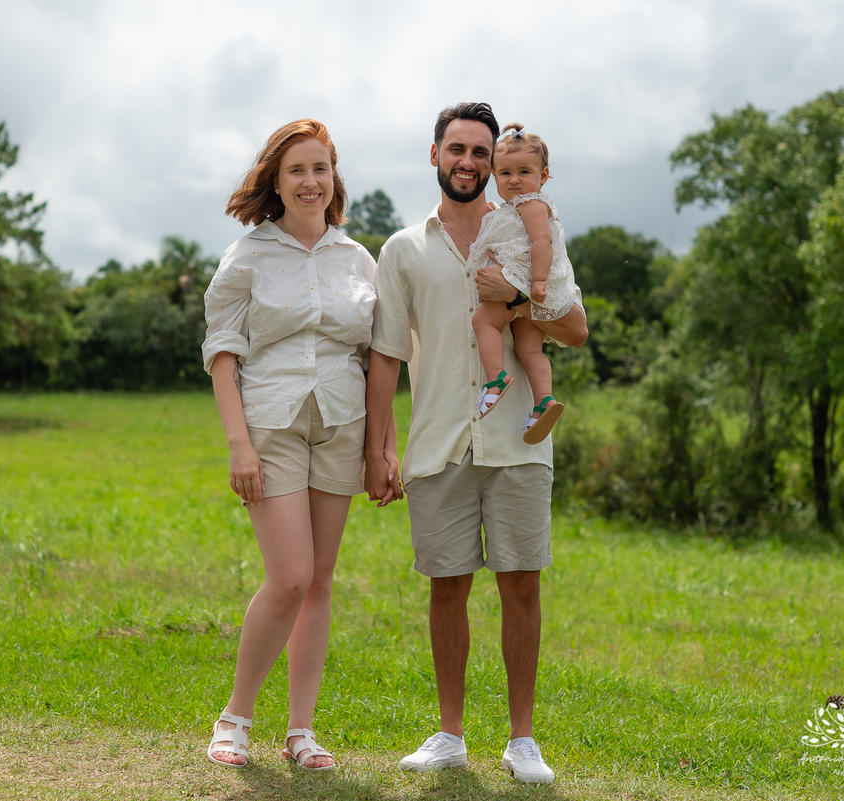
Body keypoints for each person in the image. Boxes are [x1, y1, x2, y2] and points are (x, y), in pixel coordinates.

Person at [363, 102, 587, 784]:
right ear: (436, 155)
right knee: (447, 586)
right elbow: (384, 355)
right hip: (438, 442)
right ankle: (450, 732)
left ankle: (523, 741)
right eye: (455, 149)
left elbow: (575, 329)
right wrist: (381, 447)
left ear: (494, 163)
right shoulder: (402, 249)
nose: (467, 162)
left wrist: (516, 295)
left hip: (517, 440)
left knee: (522, 582)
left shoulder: (528, 229)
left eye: (479, 153)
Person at [201, 119, 395, 771]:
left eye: (321, 168)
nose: (311, 181)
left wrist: (381, 448)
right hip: (272, 424)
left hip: (340, 426)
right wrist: (238, 444)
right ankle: (235, 716)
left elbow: (379, 359)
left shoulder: (358, 259)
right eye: (297, 171)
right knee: (289, 576)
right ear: (276, 183)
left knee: (320, 582)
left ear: (334, 178)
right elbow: (223, 352)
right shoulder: (249, 255)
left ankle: (301, 730)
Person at [469, 123, 577, 445]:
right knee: (529, 348)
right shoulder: (517, 207)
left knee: (483, 320)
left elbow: (542, 243)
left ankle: (495, 379)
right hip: (536, 288)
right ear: (494, 177)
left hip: (523, 278)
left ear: (543, 176)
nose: (514, 180)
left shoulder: (531, 204)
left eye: (524, 172)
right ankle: (543, 400)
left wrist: (538, 283)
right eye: (505, 174)